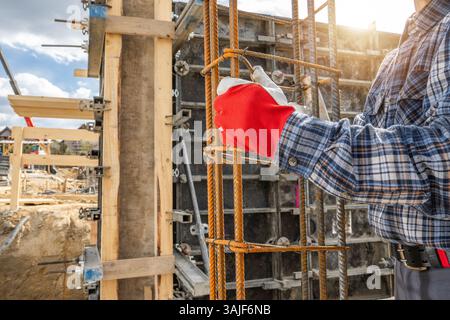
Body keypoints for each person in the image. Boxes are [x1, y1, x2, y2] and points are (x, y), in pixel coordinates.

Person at [213, 0, 450, 299]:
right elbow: (373, 145)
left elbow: (443, 163)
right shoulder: (398, 56)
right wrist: (295, 117)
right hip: (409, 270)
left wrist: (283, 131)